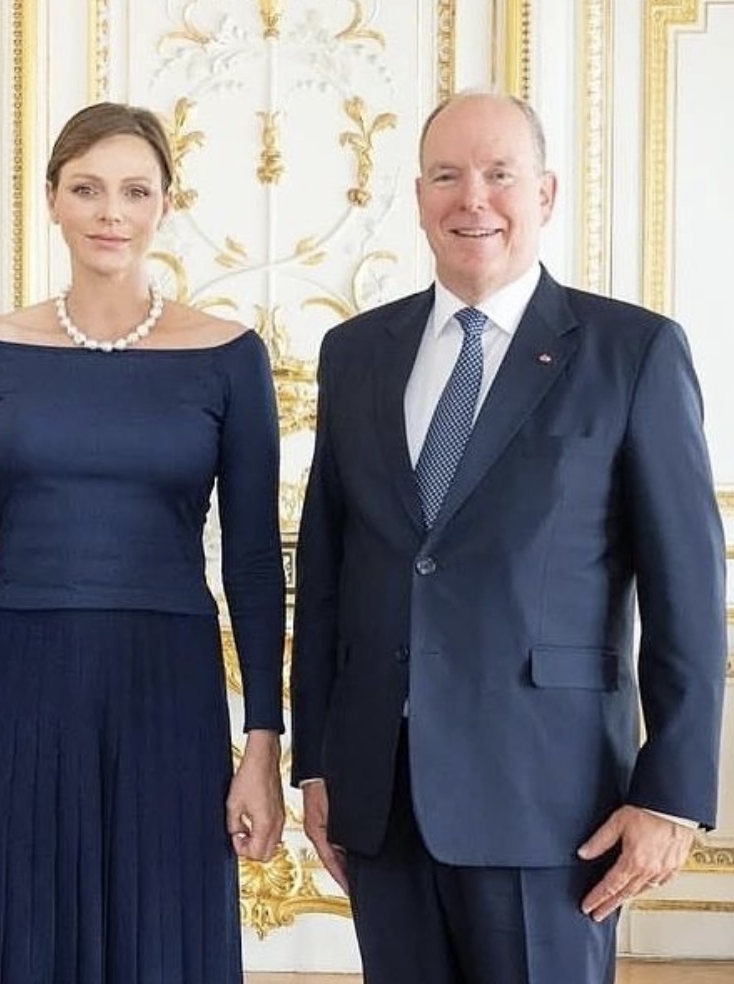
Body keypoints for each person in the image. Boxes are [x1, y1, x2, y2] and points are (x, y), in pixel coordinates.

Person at [290, 90, 727, 983]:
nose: (472, 200)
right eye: (446, 176)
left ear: (545, 193)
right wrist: (317, 765)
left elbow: (686, 590)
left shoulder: (631, 352)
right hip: (382, 798)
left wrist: (672, 795)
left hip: (552, 804)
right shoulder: (354, 353)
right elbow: (329, 572)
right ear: (419, 196)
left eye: (499, 174)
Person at [0, 101, 286, 984]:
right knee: (21, 942)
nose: (110, 212)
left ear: (165, 205)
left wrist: (262, 746)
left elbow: (253, 564)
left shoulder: (229, 356)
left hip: (168, 689)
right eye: (86, 189)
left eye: (134, 191)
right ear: (51, 198)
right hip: (18, 685)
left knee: (162, 943)